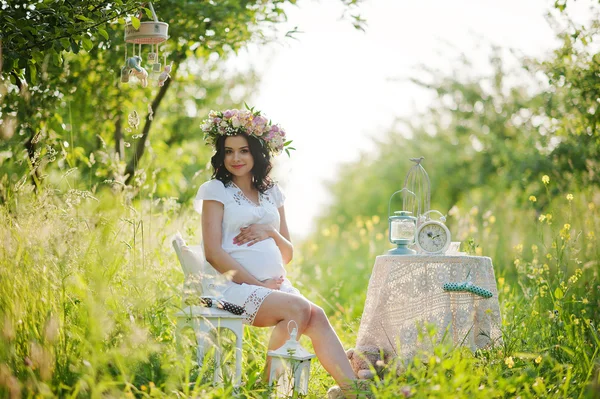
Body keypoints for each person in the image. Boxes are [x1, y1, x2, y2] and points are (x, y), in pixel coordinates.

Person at [194, 108, 364, 398]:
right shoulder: (215, 190)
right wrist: (257, 285)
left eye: (244, 151)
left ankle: (356, 392)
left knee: (316, 314)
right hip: (230, 288)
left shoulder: (273, 193)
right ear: (221, 156)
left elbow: (287, 254)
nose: (236, 158)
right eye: (229, 151)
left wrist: (269, 232)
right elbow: (212, 252)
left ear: (257, 154)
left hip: (273, 287)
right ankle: (266, 387)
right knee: (298, 308)